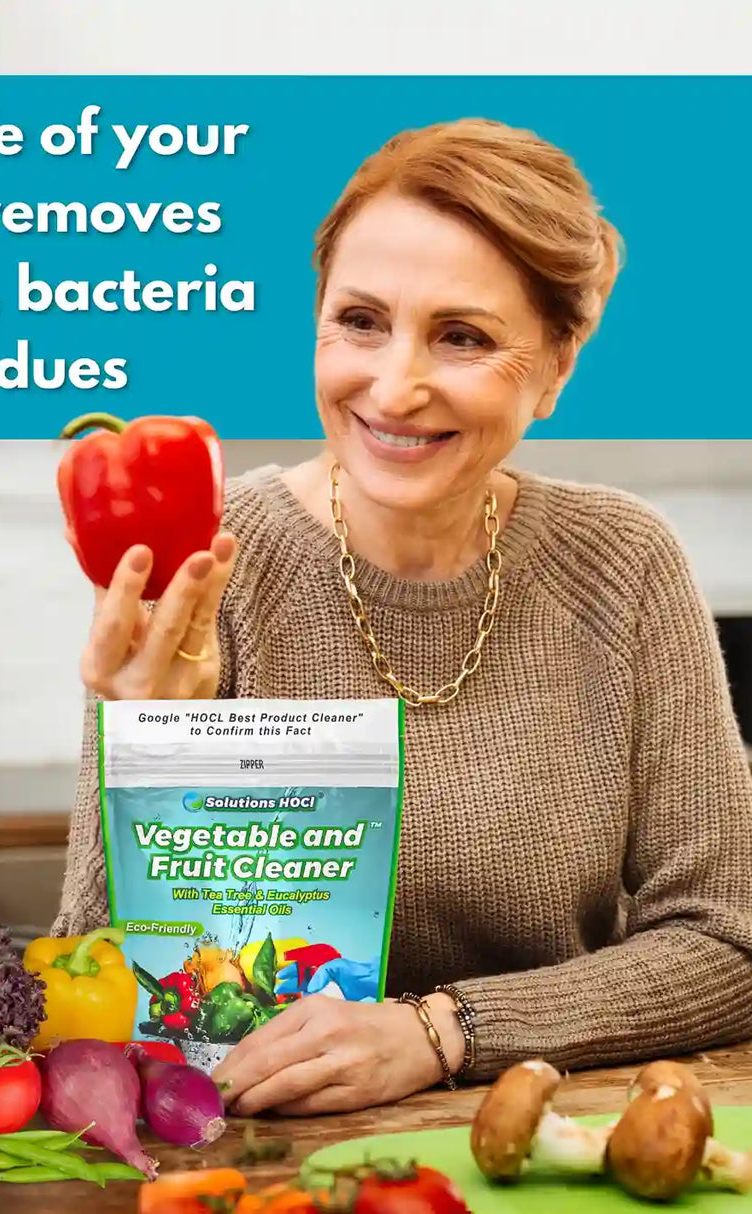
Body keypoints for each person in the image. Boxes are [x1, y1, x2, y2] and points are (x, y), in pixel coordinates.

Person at [51, 117, 752, 1117]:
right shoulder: (210, 562)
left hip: (540, 1130)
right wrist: (157, 751)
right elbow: (96, 985)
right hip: (262, 1154)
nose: (392, 386)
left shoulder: (624, 565)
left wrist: (442, 1028)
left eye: (460, 336)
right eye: (359, 321)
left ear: (555, 367)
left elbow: (728, 940)